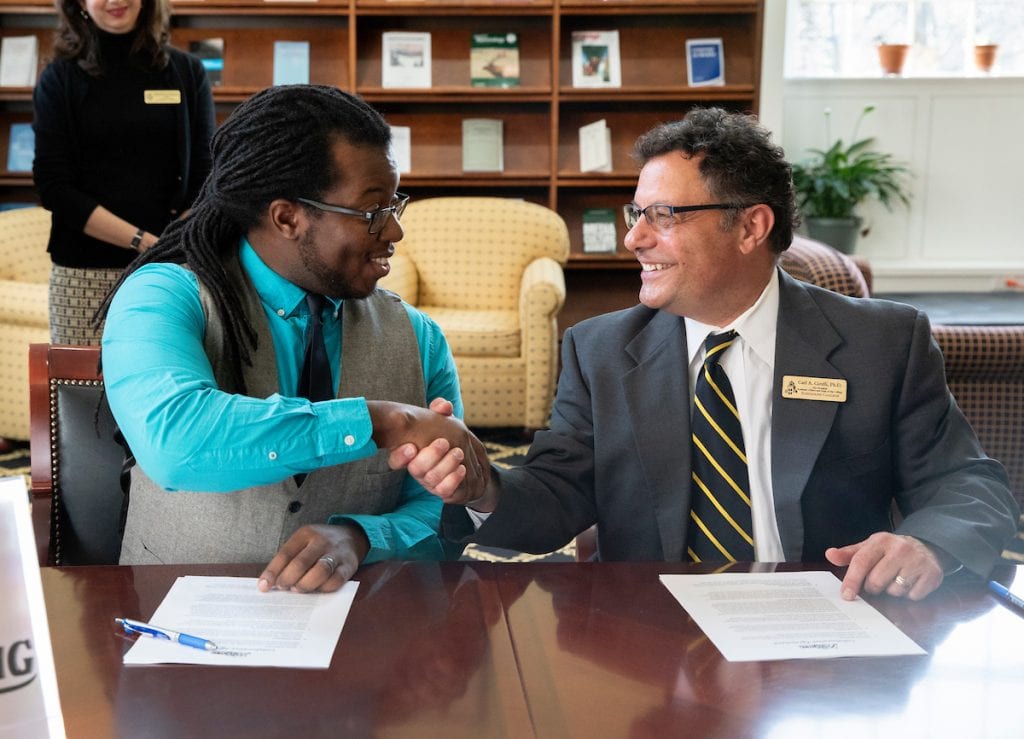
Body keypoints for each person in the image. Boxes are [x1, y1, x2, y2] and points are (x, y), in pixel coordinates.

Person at [397, 107, 1020, 601]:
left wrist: (929, 546)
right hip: (653, 633)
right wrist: (482, 485)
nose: (634, 237)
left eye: (663, 216)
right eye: (635, 213)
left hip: (829, 618)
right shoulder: (602, 349)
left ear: (751, 227)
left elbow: (968, 483)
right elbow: (559, 493)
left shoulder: (881, 343)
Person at [99, 84, 486, 593]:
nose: (394, 231)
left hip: (361, 633)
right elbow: (176, 443)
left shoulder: (417, 337)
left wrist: (364, 536)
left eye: (396, 205)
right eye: (373, 212)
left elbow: (448, 510)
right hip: (172, 623)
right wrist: (380, 420)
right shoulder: (163, 296)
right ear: (287, 217)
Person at [33, 0, 215, 344]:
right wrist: (145, 242)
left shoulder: (187, 71)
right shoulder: (59, 77)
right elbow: (54, 187)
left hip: (173, 271)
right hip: (86, 275)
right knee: (84, 395)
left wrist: (169, 248)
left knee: (166, 393)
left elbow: (207, 175)